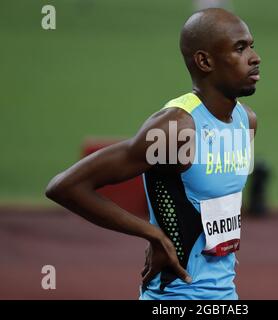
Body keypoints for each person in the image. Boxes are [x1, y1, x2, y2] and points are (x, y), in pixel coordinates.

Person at [45, 7, 261, 300]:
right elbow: (65, 187)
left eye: (251, 46)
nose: (254, 57)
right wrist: (152, 233)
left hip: (224, 296)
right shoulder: (177, 127)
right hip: (172, 299)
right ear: (204, 61)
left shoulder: (245, 121)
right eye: (240, 48)